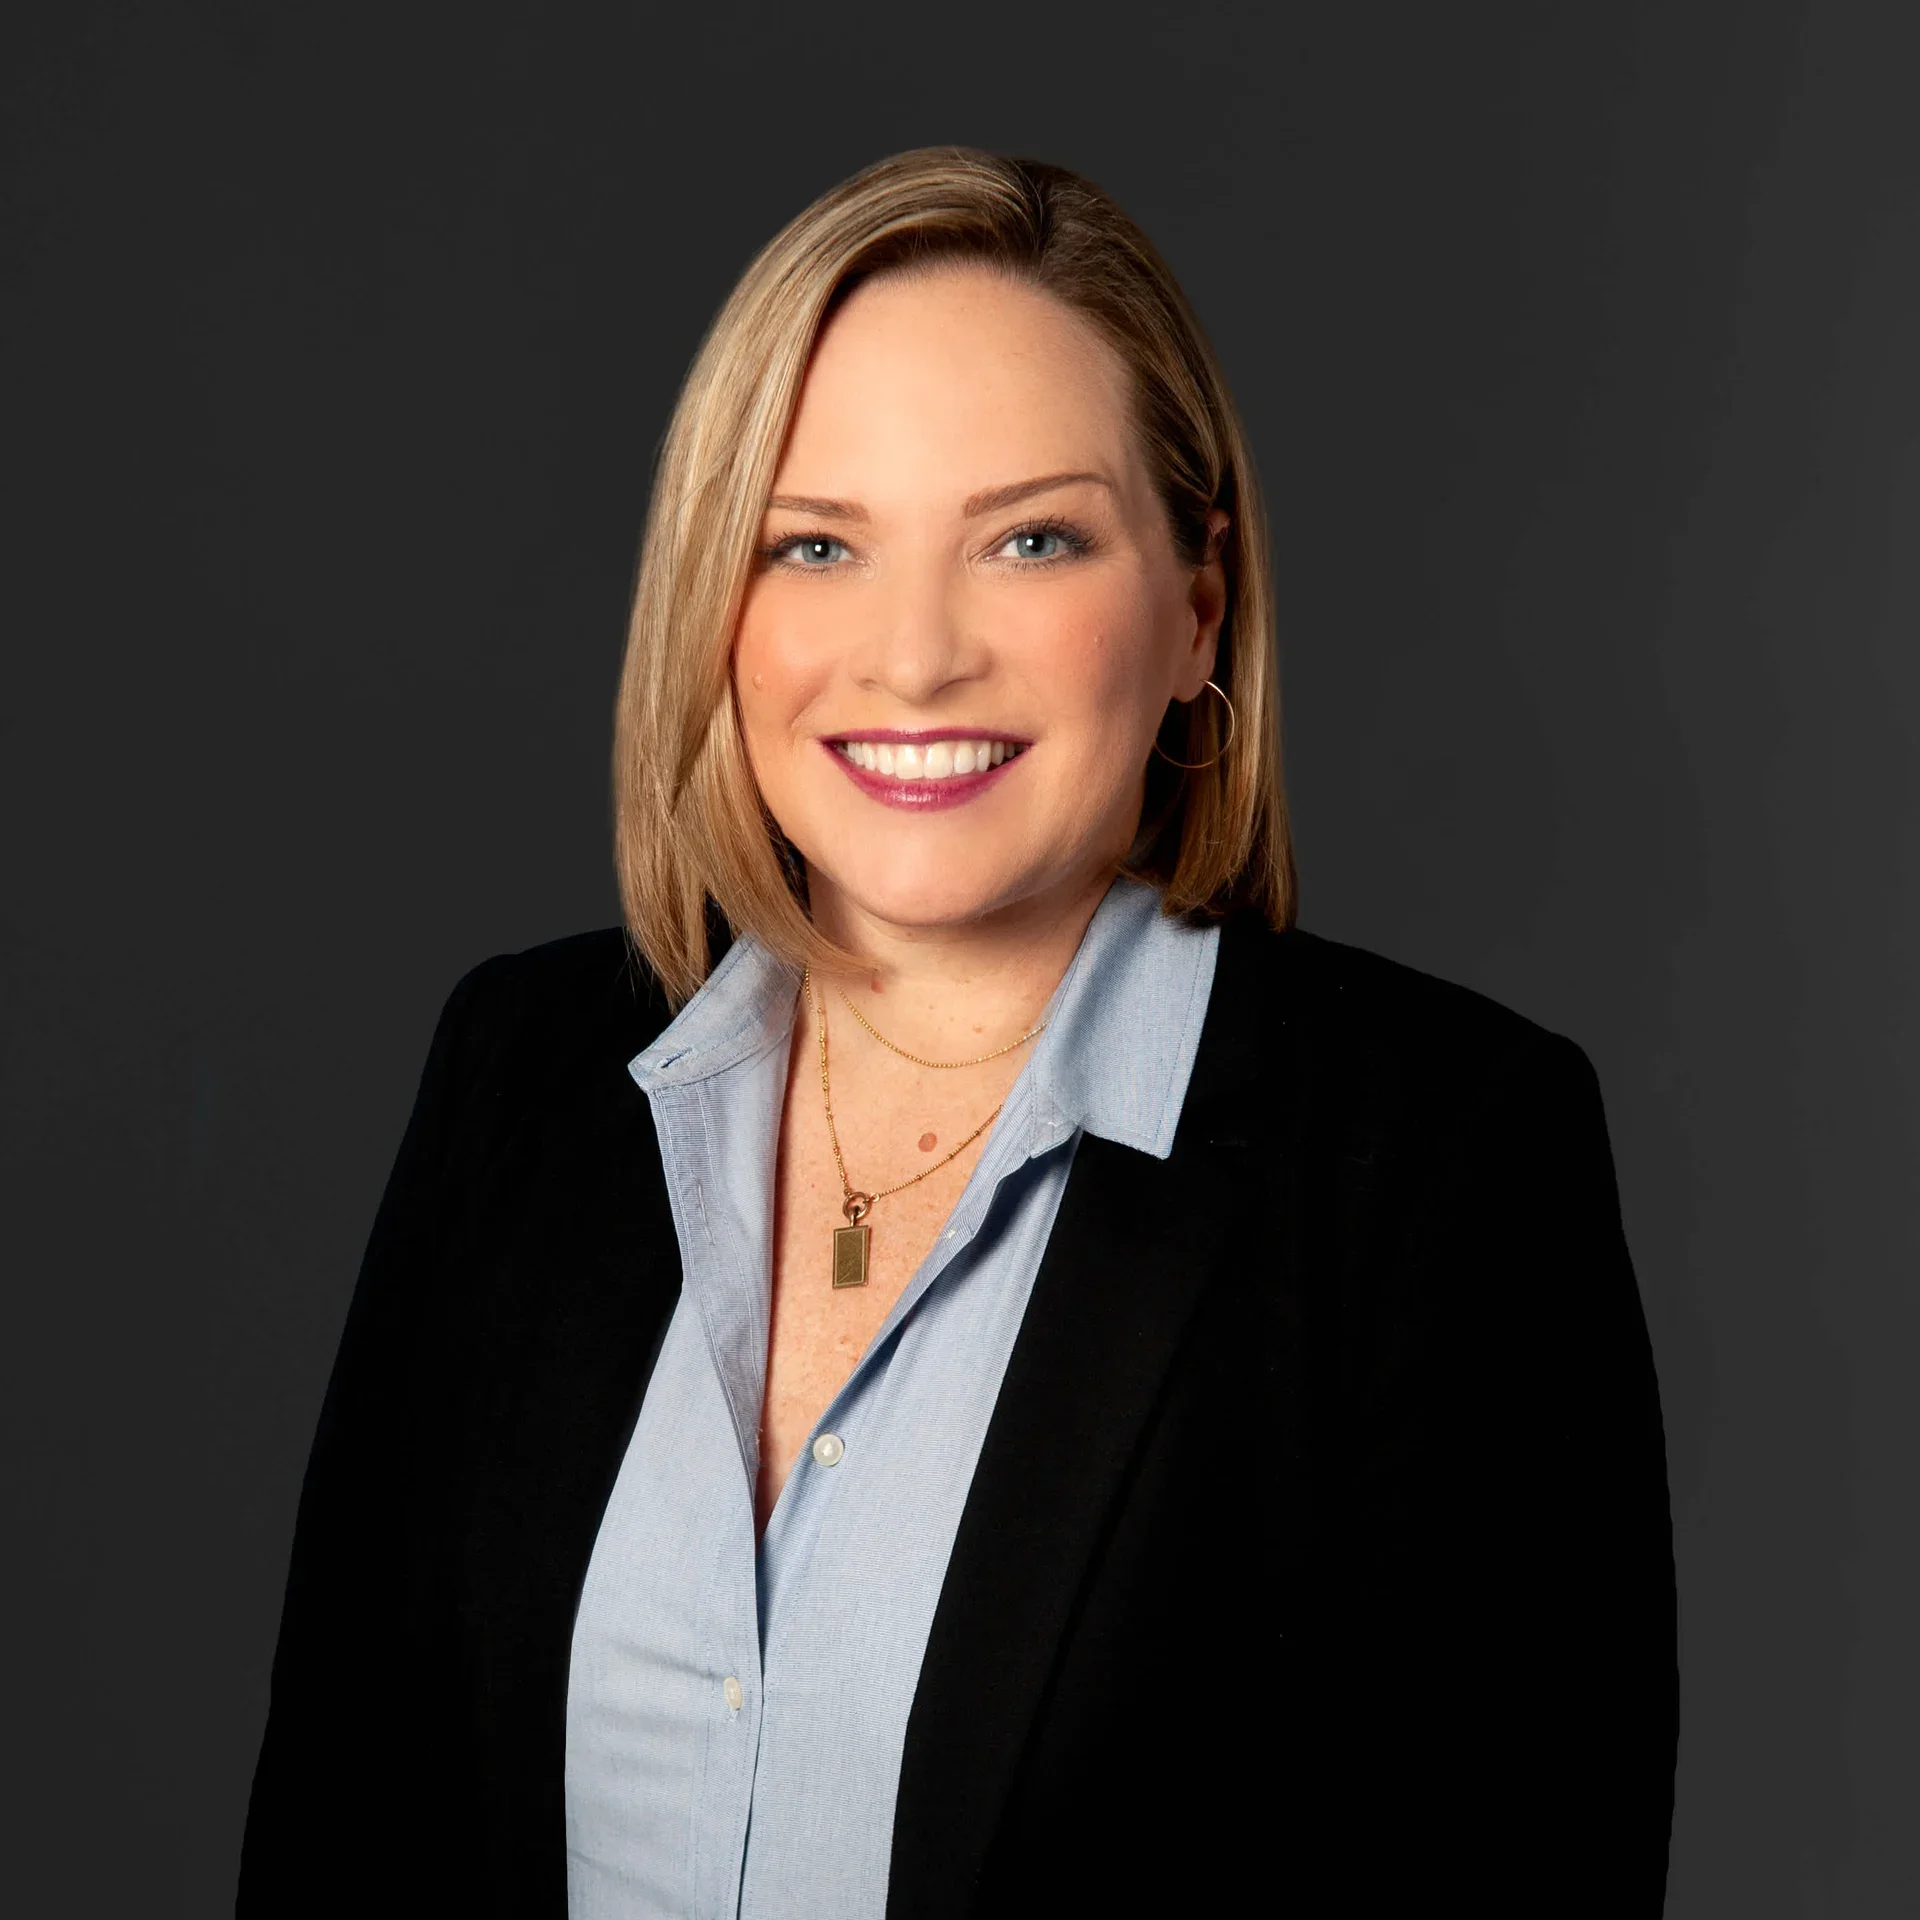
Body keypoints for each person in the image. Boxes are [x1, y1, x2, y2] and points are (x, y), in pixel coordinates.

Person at [237, 146, 1678, 1918]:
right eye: (815, 545)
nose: (911, 658)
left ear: (1193, 607)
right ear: (716, 602)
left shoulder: (1445, 1167)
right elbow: (338, 1830)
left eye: (1031, 539)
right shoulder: (523, 1073)